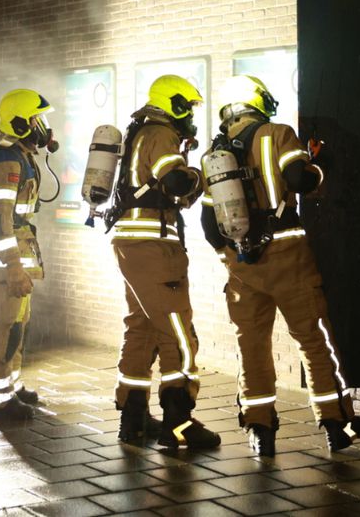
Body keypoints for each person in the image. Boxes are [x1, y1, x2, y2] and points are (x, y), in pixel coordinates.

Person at [201, 74, 360, 455]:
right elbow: (299, 178)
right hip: (288, 257)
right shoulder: (277, 134)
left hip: (242, 266)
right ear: (258, 101)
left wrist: (233, 258)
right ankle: (336, 424)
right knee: (314, 340)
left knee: (252, 347)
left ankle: (259, 430)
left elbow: (209, 226)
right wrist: (318, 165)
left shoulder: (215, 154)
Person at [105, 75, 220, 450]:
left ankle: (133, 419)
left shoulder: (140, 130)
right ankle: (179, 424)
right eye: (189, 107)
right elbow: (175, 183)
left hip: (131, 245)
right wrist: (201, 176)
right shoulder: (161, 133)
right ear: (175, 104)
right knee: (178, 334)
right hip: (154, 248)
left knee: (141, 329)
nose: (191, 116)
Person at [0, 89, 56, 422]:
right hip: (3, 251)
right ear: (20, 123)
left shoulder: (18, 153)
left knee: (18, 321)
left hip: (16, 245)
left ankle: (11, 383)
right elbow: (0, 217)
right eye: (37, 120)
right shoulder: (5, 158)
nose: (42, 126)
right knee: (3, 323)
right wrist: (12, 266)